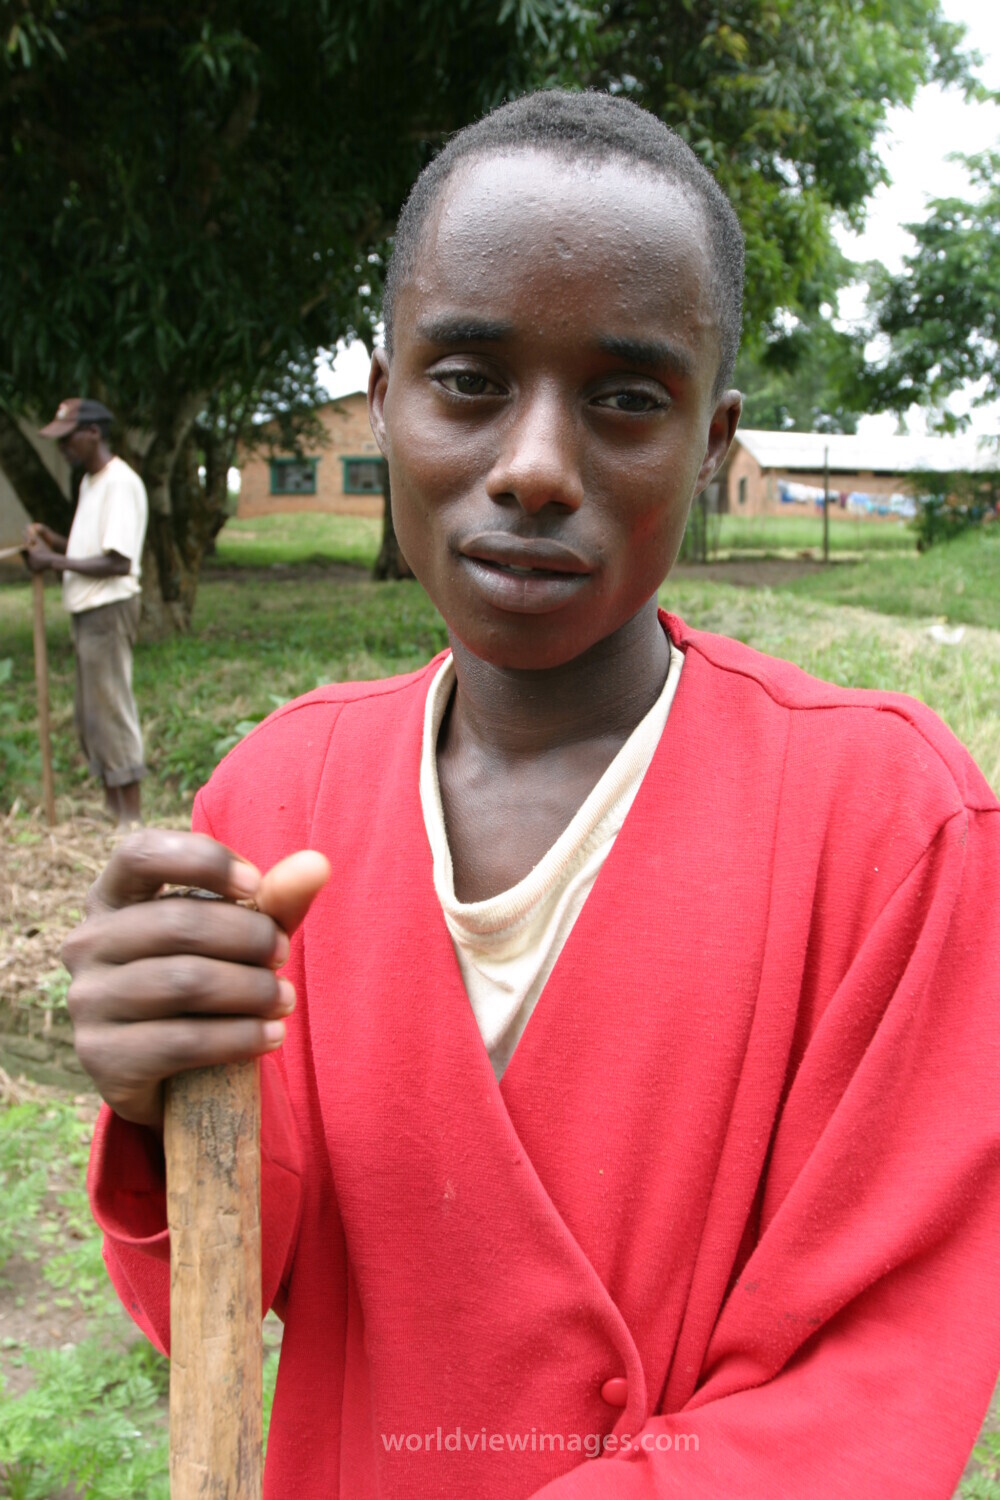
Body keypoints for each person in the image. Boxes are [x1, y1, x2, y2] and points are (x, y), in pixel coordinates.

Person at [63, 92, 1000, 1498]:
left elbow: (876, 1377)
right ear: (384, 402)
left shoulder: (887, 827)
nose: (536, 468)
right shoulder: (278, 794)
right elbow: (230, 1288)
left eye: (627, 399)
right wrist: (155, 1103)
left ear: (713, 441)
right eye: (467, 381)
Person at [26, 397, 148, 827]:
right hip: (88, 608)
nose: (62, 449)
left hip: (108, 610)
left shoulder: (119, 482)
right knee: (90, 711)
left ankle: (129, 819)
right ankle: (111, 808)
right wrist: (52, 541)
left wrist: (52, 563)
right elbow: (88, 549)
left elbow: (118, 562)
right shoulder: (92, 483)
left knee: (110, 706)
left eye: (67, 439)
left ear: (93, 433)